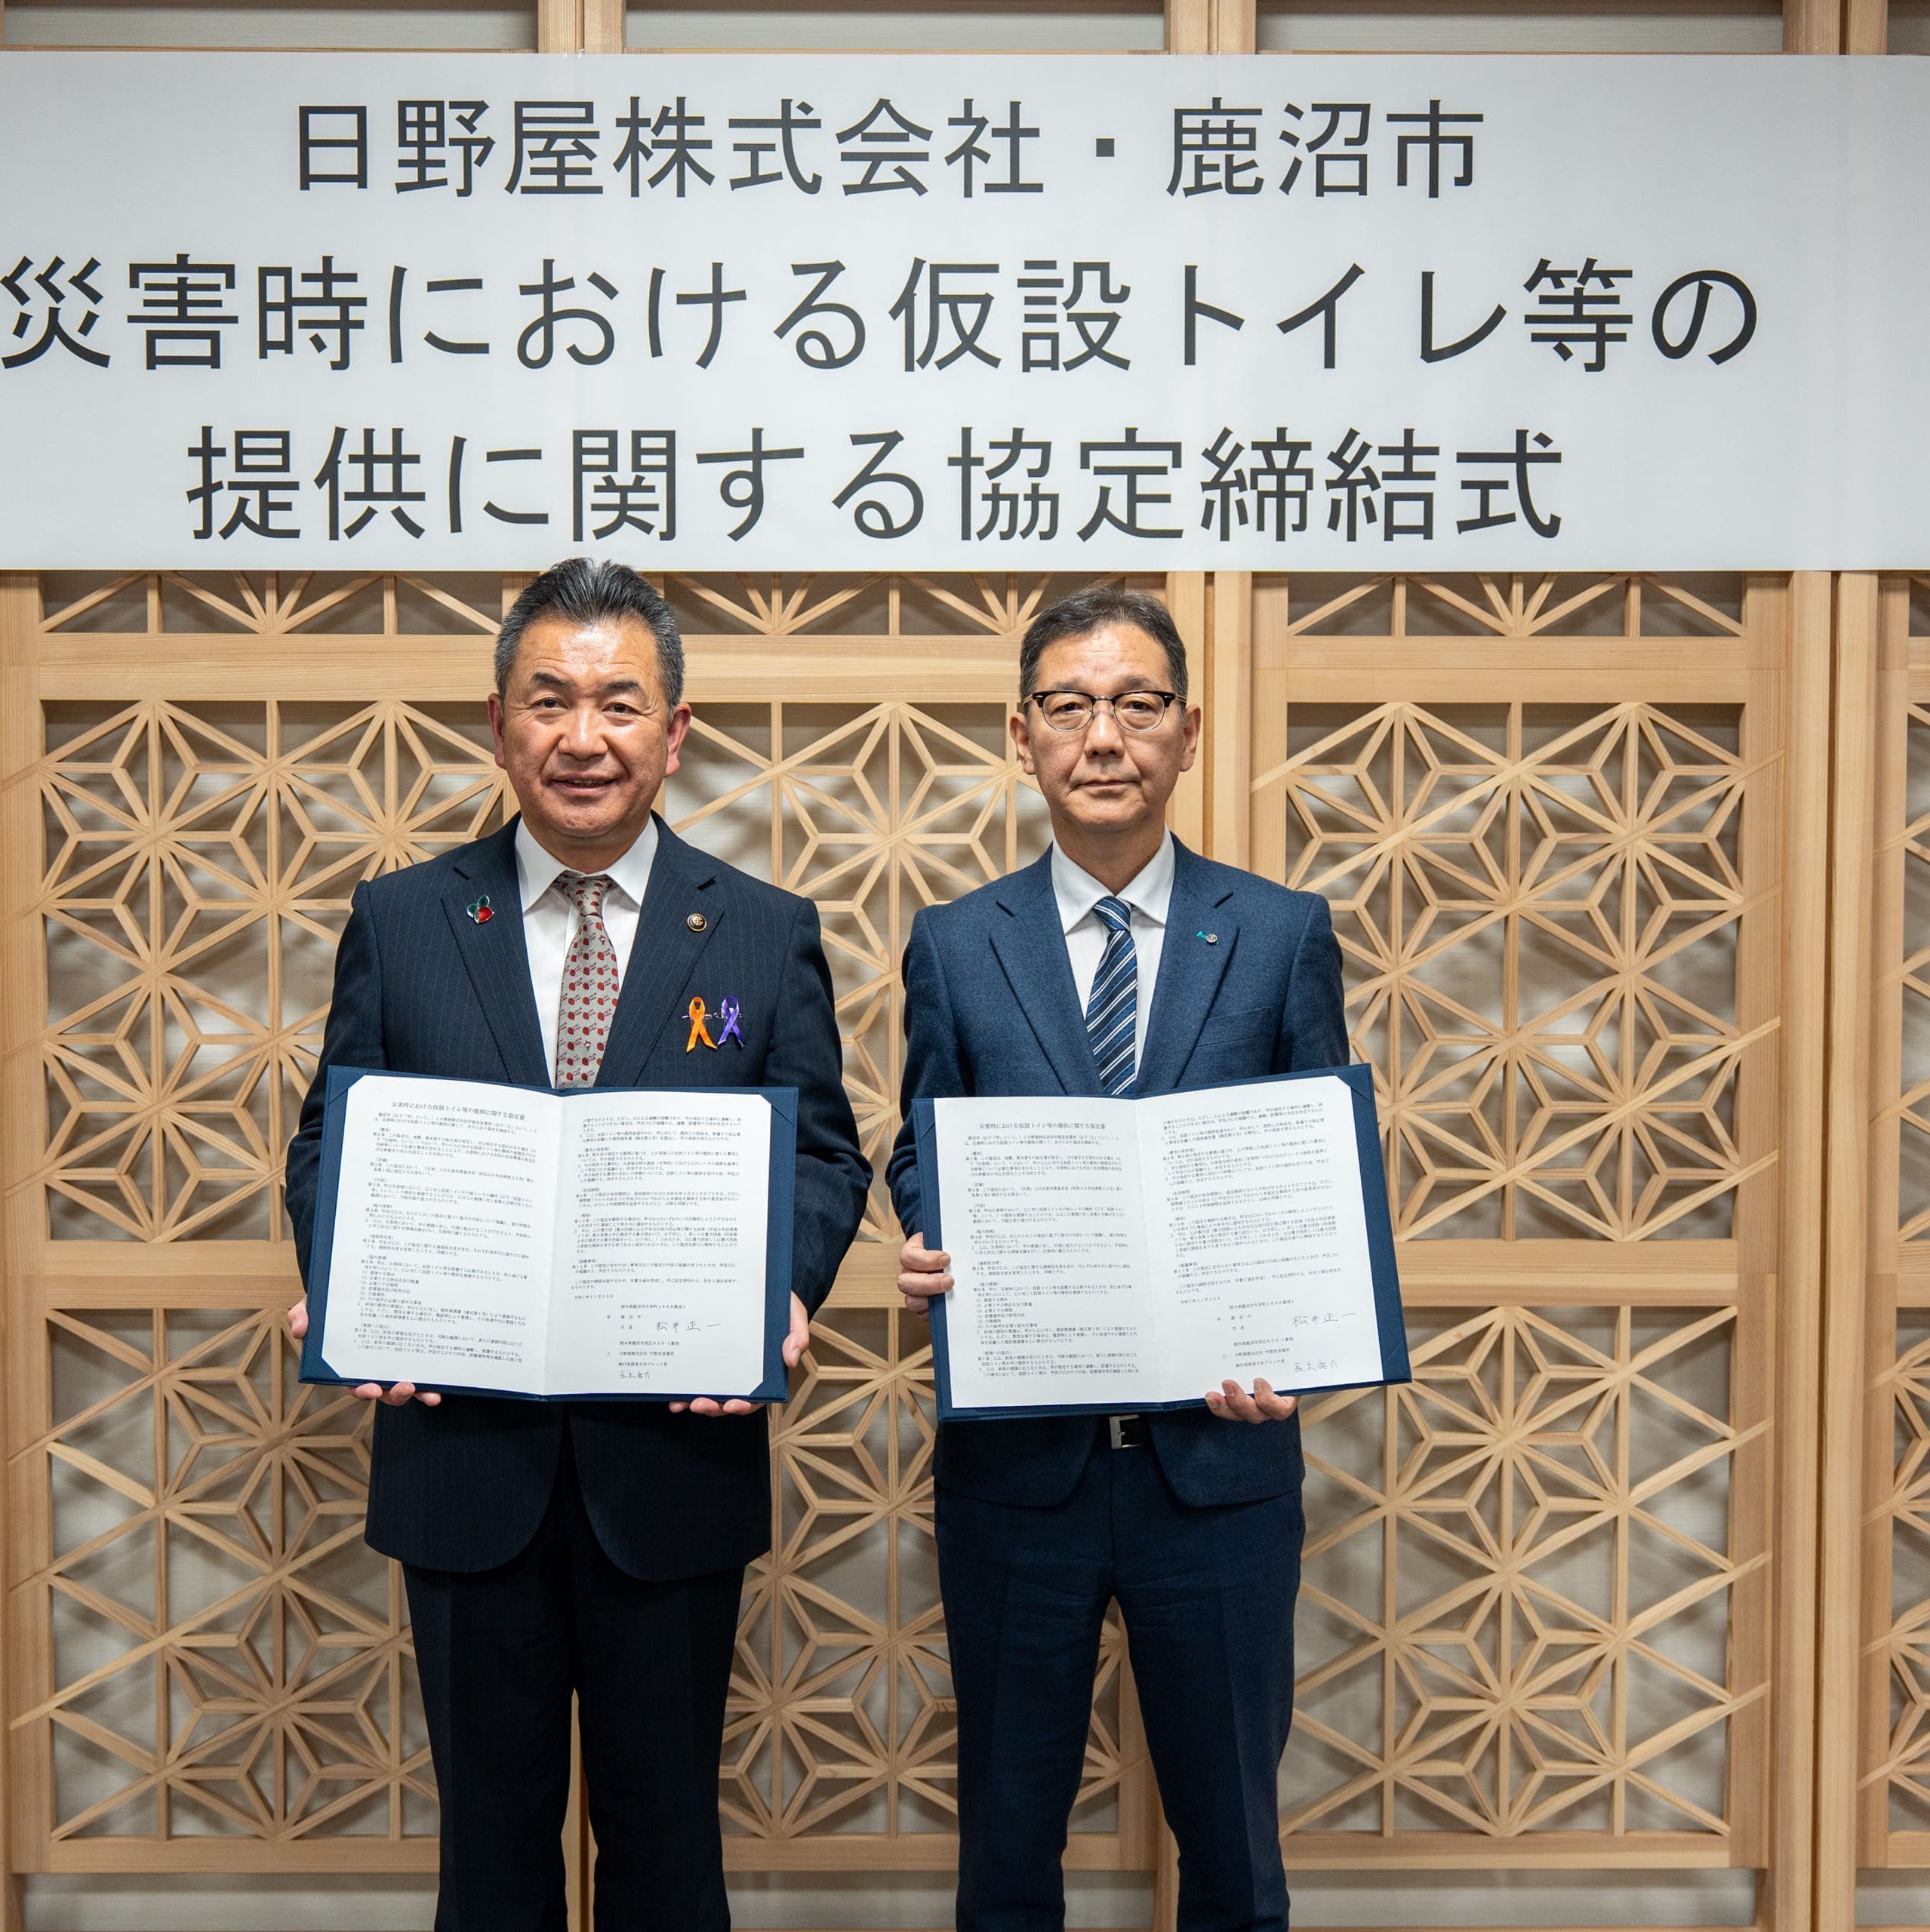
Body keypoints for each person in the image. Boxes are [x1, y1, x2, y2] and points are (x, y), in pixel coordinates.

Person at [282, 558, 870, 1932]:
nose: (583, 737)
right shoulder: (403, 919)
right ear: (499, 724)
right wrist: (346, 1275)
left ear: (676, 729)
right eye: (549, 700)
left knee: (668, 1849)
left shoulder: (764, 932)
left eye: (619, 703)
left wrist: (782, 1288)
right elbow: (331, 1141)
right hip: (462, 1457)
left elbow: (823, 1153)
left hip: (672, 1457)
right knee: (491, 1857)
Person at [888, 584, 1347, 1932]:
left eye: (1139, 706)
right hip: (1017, 1473)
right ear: (1022, 734)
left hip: (1219, 1468)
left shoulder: (1280, 933)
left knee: (1235, 1856)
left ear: (1189, 733)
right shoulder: (956, 941)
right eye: (1071, 707)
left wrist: (1295, 1336)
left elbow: (1316, 1165)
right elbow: (926, 1140)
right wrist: (929, 1231)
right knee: (1007, 1853)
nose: (1105, 737)